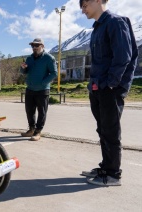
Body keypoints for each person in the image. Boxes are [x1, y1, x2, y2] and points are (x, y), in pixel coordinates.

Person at [79, 0, 138, 186]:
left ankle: (113, 175)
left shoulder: (116, 22)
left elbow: (124, 56)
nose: (82, 10)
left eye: (84, 4)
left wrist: (112, 84)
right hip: (97, 88)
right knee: (103, 130)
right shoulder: (97, 28)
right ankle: (106, 167)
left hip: (109, 89)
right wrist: (95, 86)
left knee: (111, 132)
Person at [19, 38, 57, 141]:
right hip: (30, 88)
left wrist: (43, 82)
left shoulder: (49, 58)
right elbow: (24, 72)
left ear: (42, 46)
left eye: (37, 45)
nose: (34, 47)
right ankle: (31, 129)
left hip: (42, 89)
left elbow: (54, 73)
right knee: (29, 111)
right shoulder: (29, 58)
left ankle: (38, 132)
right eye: (33, 46)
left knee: (42, 112)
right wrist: (23, 68)